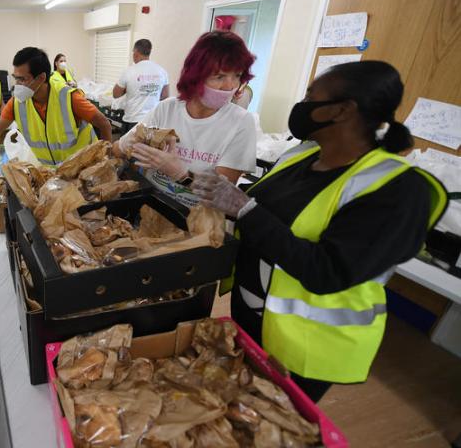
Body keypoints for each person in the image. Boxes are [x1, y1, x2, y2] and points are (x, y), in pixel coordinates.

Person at [191, 60, 447, 402]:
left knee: (277, 421)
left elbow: (327, 272)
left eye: (312, 96)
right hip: (253, 318)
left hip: (307, 344)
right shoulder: (302, 157)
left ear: (341, 110)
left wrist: (243, 208)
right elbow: (258, 215)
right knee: (241, 405)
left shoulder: (397, 190)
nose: (303, 105)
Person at [113, 31, 256, 206]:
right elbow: (117, 149)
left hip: (195, 221)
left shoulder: (241, 122)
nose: (230, 86)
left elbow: (221, 195)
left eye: (237, 76)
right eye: (219, 77)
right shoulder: (167, 108)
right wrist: (128, 144)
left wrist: (181, 174)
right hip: (152, 207)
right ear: (196, 76)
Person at [0, 47, 111, 173]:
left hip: (84, 168)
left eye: (23, 79)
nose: (18, 85)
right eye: (16, 78)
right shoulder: (17, 103)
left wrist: (105, 160)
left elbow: (104, 124)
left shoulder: (68, 98)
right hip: (55, 172)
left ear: (40, 78)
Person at [112, 39, 170, 131]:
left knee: (128, 145)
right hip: (153, 121)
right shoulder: (162, 71)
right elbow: (165, 96)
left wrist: (128, 89)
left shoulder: (129, 71)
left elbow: (116, 94)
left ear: (136, 52)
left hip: (133, 121)